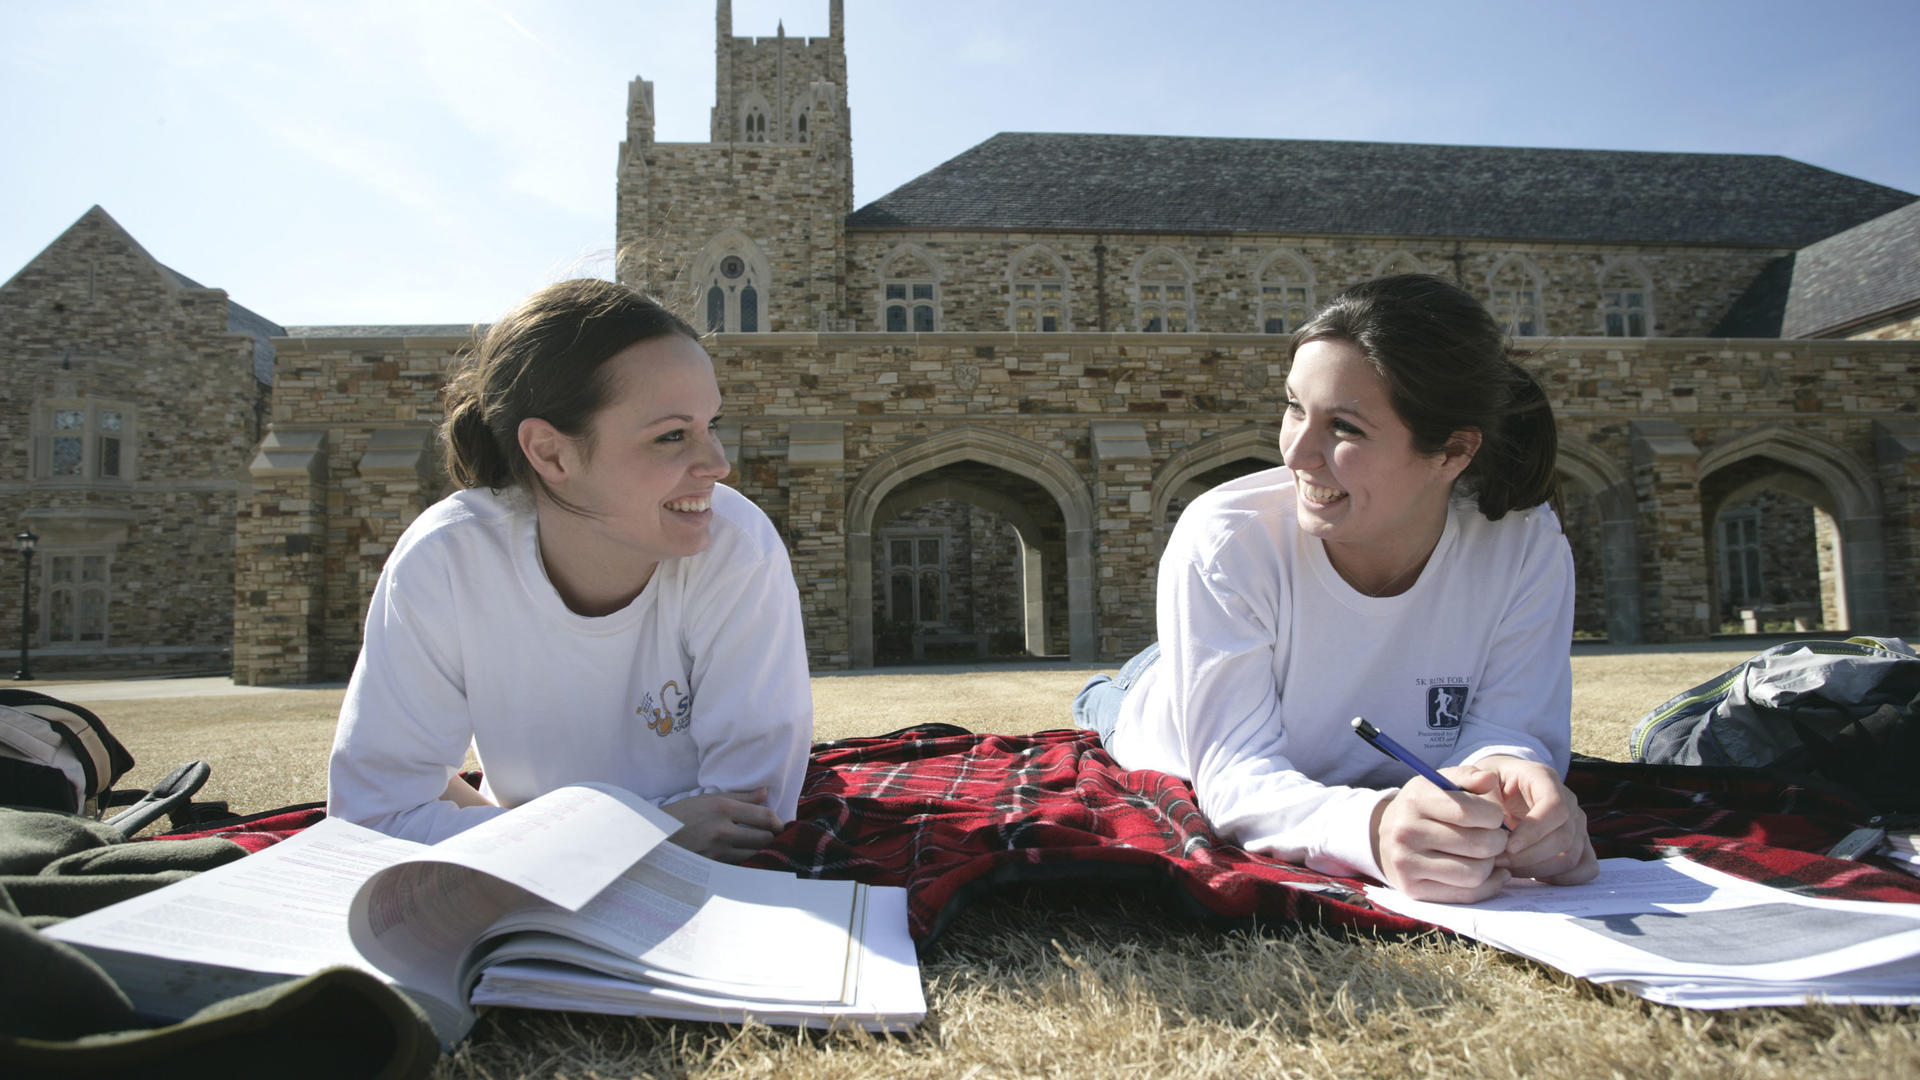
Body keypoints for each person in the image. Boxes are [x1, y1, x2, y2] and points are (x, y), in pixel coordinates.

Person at [1074, 274, 1597, 903]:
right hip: (1164, 702)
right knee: (1114, 697)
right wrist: (1373, 831)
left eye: (1343, 427)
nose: (1296, 452)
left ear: (1453, 452)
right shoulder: (1227, 537)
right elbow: (1235, 776)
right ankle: (1104, 691)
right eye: (1295, 406)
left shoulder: (1523, 543)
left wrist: (1512, 781)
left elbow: (1510, 725)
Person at [327, 278, 811, 863]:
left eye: (712, 424)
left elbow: (747, 817)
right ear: (552, 453)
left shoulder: (736, 549)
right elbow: (371, 819)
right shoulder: (447, 560)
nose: (718, 464)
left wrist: (514, 838)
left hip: (524, 854)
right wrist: (642, 837)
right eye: (673, 435)